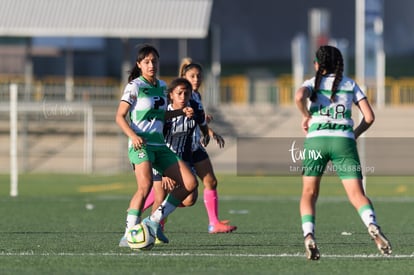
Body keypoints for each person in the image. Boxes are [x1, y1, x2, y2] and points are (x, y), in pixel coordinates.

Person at [294, 45, 392, 260]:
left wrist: (306, 116)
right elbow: (369, 117)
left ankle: (309, 235)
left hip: (316, 141)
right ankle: (372, 225)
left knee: (309, 193)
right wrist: (354, 134)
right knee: (357, 195)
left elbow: (299, 96)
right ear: (340, 64)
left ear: (317, 65)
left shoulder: (312, 84)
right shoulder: (350, 84)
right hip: (343, 142)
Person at [116, 44, 198, 247]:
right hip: (141, 145)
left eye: (154, 61)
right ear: (139, 65)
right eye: (147, 62)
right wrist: (133, 136)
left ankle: (152, 222)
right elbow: (119, 116)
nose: (151, 65)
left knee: (190, 183)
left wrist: (181, 112)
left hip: (160, 146)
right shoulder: (134, 86)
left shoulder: (162, 86)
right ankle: (128, 234)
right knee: (144, 188)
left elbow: (161, 115)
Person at [179, 58, 237, 234]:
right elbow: (177, 119)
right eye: (192, 76)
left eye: (198, 76)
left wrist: (209, 132)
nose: (196, 79)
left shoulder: (196, 95)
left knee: (210, 181)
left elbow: (198, 120)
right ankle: (156, 218)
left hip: (195, 147)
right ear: (184, 77)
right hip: (180, 148)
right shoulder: (180, 95)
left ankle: (214, 223)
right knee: (188, 198)